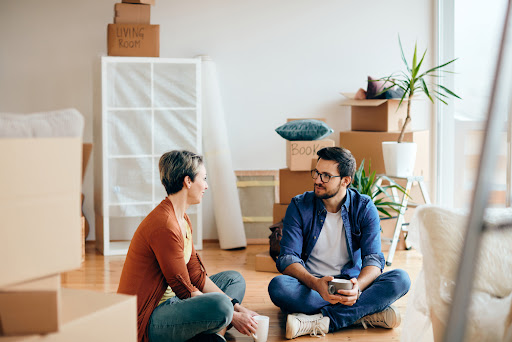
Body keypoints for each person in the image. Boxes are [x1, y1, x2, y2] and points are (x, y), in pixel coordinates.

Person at [267, 147, 411, 339]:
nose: (317, 180)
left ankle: (321, 321)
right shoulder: (299, 205)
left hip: (350, 285)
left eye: (326, 176)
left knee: (401, 279)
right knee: (279, 287)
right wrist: (316, 283)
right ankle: (363, 314)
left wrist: (358, 288)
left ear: (345, 180)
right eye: (317, 173)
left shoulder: (364, 207)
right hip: (312, 286)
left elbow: (374, 260)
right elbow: (287, 258)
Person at [118, 150, 259, 342]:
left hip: (177, 303)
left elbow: (196, 276)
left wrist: (238, 308)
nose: (206, 186)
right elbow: (186, 290)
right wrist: (233, 315)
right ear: (188, 181)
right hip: (149, 319)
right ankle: (215, 331)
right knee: (221, 306)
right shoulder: (165, 225)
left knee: (234, 280)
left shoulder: (182, 218)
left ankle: (213, 331)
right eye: (204, 178)